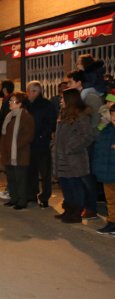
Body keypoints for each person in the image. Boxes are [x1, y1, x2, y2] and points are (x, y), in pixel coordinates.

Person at [53, 88, 96, 224]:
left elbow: (88, 136)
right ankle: (68, 210)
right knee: (66, 186)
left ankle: (76, 213)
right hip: (62, 158)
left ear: (69, 100)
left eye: (62, 98)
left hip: (74, 159)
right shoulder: (64, 114)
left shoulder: (81, 116)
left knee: (74, 187)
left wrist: (70, 147)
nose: (60, 100)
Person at [0, 92, 35, 209]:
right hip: (9, 153)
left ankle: (22, 201)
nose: (10, 103)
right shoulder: (10, 116)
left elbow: (28, 135)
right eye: (10, 101)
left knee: (20, 179)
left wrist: (16, 146)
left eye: (12, 101)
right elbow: (5, 134)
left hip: (20, 153)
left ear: (20, 104)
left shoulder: (25, 116)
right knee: (11, 178)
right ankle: (14, 198)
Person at [26, 81, 57, 208]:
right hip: (29, 143)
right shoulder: (26, 105)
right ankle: (32, 194)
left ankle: (45, 197)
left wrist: (42, 135)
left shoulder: (46, 105)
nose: (31, 93)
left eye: (34, 91)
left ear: (39, 92)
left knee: (45, 172)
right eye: (29, 91)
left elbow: (51, 123)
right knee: (31, 170)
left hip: (42, 143)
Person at [94, 104, 115, 235]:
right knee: (111, 200)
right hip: (107, 171)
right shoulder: (107, 130)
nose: (114, 117)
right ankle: (112, 223)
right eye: (113, 114)